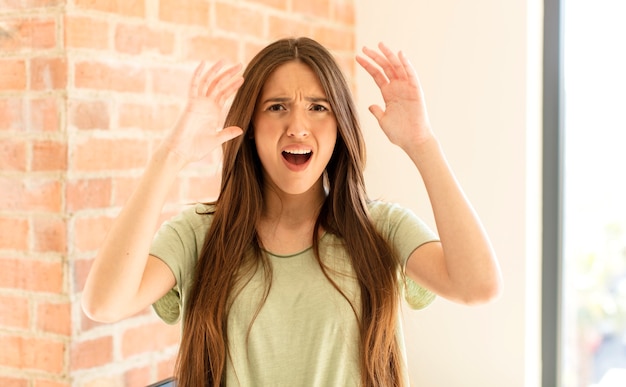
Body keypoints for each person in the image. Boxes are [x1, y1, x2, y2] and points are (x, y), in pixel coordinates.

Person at [82, 37, 502, 387]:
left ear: (340, 126)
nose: (298, 127)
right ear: (249, 123)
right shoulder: (198, 233)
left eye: (318, 107)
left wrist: (422, 144)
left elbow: (478, 286)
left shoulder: (382, 229)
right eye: (277, 106)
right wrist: (169, 156)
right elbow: (103, 304)